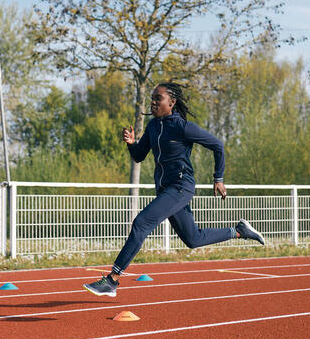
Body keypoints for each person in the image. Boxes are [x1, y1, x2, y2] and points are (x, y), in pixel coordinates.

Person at [84, 81, 265, 298]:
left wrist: (218, 178)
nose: (153, 102)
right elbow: (139, 156)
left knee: (141, 223)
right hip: (165, 190)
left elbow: (218, 145)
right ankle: (238, 231)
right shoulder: (153, 127)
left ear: (171, 103)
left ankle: (112, 279)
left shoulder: (182, 127)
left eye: (157, 98)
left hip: (180, 187)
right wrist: (132, 143)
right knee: (193, 239)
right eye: (152, 98)